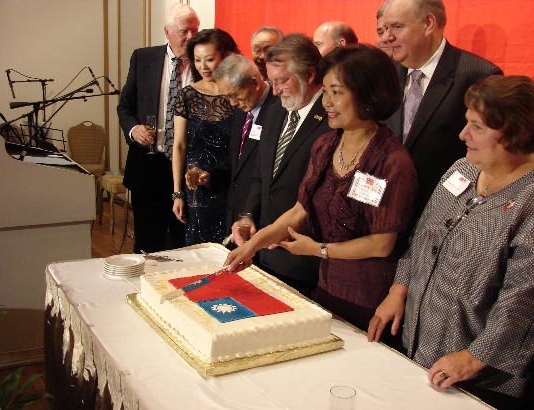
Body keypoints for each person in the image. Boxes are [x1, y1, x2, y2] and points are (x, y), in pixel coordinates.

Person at [368, 75, 534, 409]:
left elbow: (522, 299)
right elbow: (422, 236)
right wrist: (398, 289)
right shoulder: (463, 169)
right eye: (466, 122)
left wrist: (475, 357)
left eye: (477, 127)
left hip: (478, 375)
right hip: (420, 345)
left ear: (516, 133)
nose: (463, 134)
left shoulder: (528, 199)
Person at [225, 44, 417, 332]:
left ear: (368, 96)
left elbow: (381, 244)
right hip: (325, 285)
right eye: (325, 91)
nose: (327, 102)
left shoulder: (390, 160)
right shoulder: (326, 145)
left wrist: (318, 249)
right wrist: (252, 246)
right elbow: (300, 210)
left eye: (336, 92)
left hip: (367, 295)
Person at [380, 0, 502, 228]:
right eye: (385, 28)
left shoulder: (479, 75)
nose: (387, 37)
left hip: (442, 220)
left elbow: (488, 160)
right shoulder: (384, 73)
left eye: (396, 27)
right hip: (382, 217)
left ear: (428, 23)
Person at [230, 33, 331, 296]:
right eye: (271, 82)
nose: (275, 91)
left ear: (310, 74)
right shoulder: (275, 111)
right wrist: (247, 216)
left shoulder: (332, 118)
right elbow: (261, 175)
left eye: (283, 81)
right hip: (265, 253)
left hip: (306, 257)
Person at [117, 3, 199, 253]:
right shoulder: (143, 58)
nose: (191, 37)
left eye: (195, 30)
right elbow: (125, 107)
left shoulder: (204, 63)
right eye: (184, 31)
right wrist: (134, 130)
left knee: (184, 244)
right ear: (167, 32)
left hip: (189, 167)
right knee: (148, 243)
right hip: (149, 164)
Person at [185, 55, 278, 238]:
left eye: (234, 95)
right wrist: (211, 175)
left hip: (262, 217)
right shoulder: (241, 110)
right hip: (236, 212)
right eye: (227, 97)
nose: (232, 103)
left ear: (255, 83)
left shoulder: (279, 110)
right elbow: (236, 159)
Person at [172, 29, 240, 245]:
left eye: (209, 59)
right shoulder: (187, 95)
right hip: (197, 186)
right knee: (198, 249)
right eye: (198, 60)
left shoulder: (238, 94)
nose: (203, 66)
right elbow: (179, 146)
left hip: (232, 183)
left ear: (226, 56)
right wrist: (177, 193)